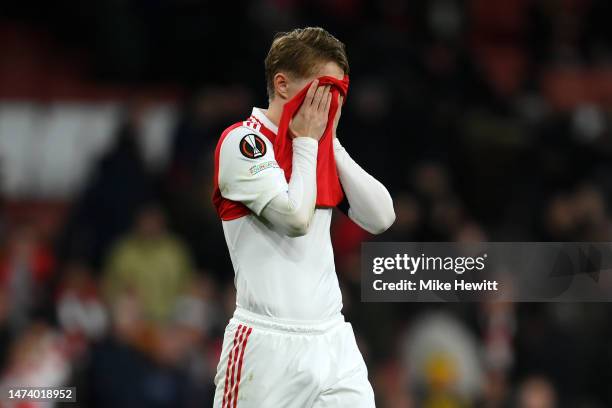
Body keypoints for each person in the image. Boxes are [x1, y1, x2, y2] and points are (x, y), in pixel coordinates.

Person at [211, 27, 395, 407]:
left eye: (339, 92)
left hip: (332, 340)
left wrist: (331, 143)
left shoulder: (317, 146)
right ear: (282, 85)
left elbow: (381, 216)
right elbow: (295, 219)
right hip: (266, 347)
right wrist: (311, 143)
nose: (329, 102)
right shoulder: (243, 142)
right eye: (323, 88)